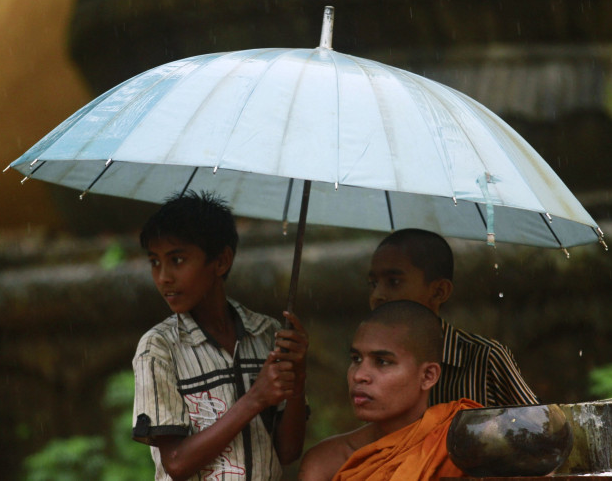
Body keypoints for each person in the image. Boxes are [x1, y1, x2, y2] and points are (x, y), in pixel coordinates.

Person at [131, 191, 309, 481]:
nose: (163, 277)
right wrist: (255, 399)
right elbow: (175, 463)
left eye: (177, 260)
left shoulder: (267, 335)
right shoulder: (159, 348)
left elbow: (288, 451)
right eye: (155, 262)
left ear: (222, 261)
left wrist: (298, 378)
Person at [298, 300, 482, 481]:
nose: (359, 375)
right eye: (356, 359)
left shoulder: (466, 445)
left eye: (382, 362)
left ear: (428, 376)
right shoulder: (325, 462)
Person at [367, 228, 538, 407]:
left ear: (439, 291)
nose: (377, 295)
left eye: (394, 282)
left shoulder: (485, 358)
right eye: (373, 284)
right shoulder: (372, 362)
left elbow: (538, 427)